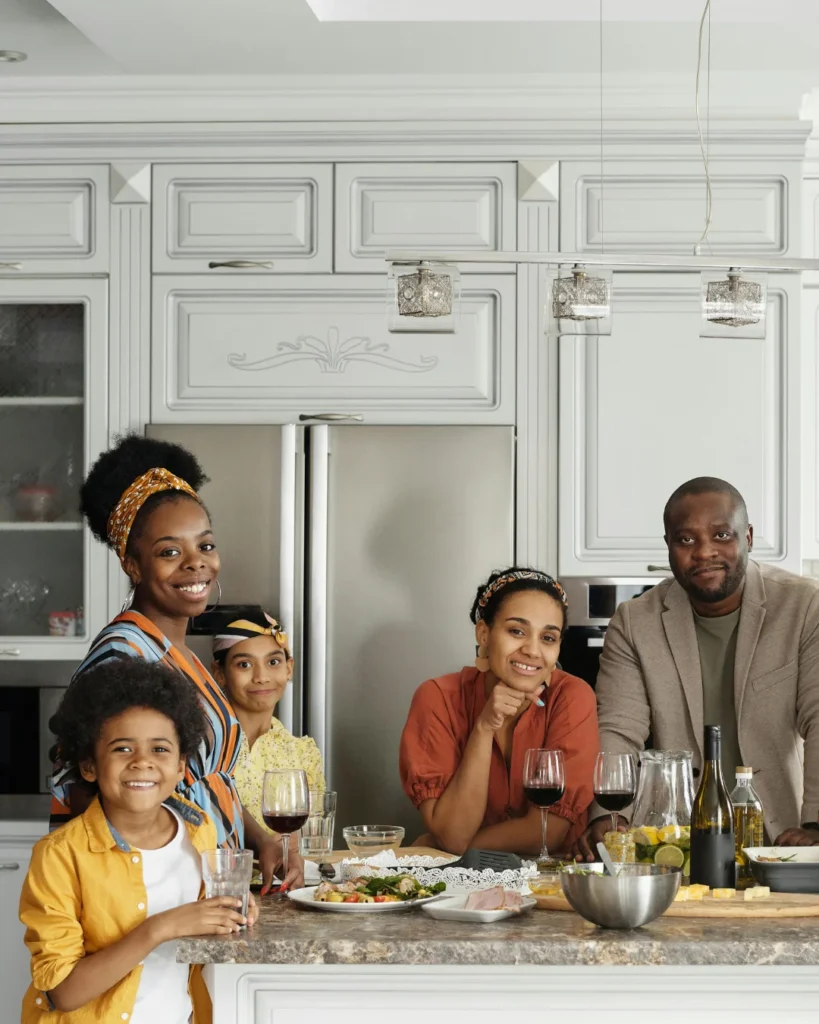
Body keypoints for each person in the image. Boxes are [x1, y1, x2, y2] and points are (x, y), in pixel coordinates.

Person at [49, 433, 303, 890]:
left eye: (204, 546)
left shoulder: (178, 652)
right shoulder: (124, 655)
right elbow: (89, 790)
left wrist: (259, 838)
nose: (196, 564)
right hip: (159, 894)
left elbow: (204, 777)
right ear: (133, 565)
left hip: (210, 885)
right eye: (170, 552)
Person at [572, 476, 819, 861]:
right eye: (686, 540)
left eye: (721, 535)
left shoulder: (805, 607)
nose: (704, 552)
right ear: (669, 547)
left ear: (748, 537)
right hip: (676, 846)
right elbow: (617, 728)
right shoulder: (636, 621)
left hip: (781, 841)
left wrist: (816, 825)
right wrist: (610, 815)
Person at [20, 661, 257, 1024]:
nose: (142, 762)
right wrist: (159, 928)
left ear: (181, 766)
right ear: (89, 766)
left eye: (160, 749)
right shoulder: (59, 856)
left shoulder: (200, 828)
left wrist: (228, 906)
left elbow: (200, 914)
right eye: (122, 749)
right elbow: (63, 993)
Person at [399, 567, 599, 856]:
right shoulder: (437, 698)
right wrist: (484, 728)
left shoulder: (572, 698)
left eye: (548, 638)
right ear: (484, 633)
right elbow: (453, 833)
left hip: (554, 882)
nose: (532, 650)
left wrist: (440, 846)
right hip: (461, 888)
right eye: (517, 631)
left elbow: (547, 832)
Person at [211, 611, 326, 836]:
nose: (261, 677)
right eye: (244, 665)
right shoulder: (207, 746)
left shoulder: (304, 754)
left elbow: (313, 840)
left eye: (273, 662)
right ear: (219, 673)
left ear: (289, 668)